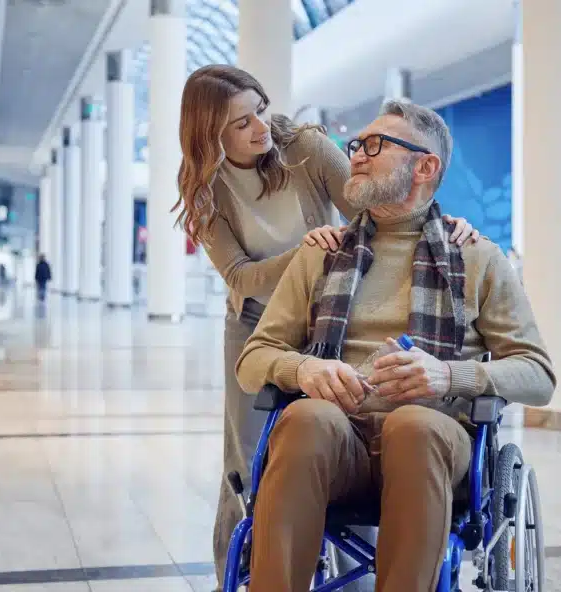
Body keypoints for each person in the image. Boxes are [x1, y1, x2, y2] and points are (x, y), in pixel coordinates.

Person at [171, 64, 481, 590]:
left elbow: (377, 205)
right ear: (211, 136)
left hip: (327, 311)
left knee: (345, 434)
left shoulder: (305, 149)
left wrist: (442, 223)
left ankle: (356, 577)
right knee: (247, 466)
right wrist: (306, 254)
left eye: (260, 110)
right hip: (252, 320)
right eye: (241, 124)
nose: (260, 128)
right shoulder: (204, 191)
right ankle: (240, 570)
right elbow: (241, 277)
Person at [235, 100, 556, 592]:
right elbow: (253, 358)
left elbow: (537, 374)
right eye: (357, 144)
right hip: (340, 443)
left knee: (414, 423)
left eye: (376, 145)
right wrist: (304, 371)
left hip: (435, 442)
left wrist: (449, 376)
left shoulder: (477, 257)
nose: (357, 154)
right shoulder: (322, 253)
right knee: (304, 417)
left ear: (425, 166)